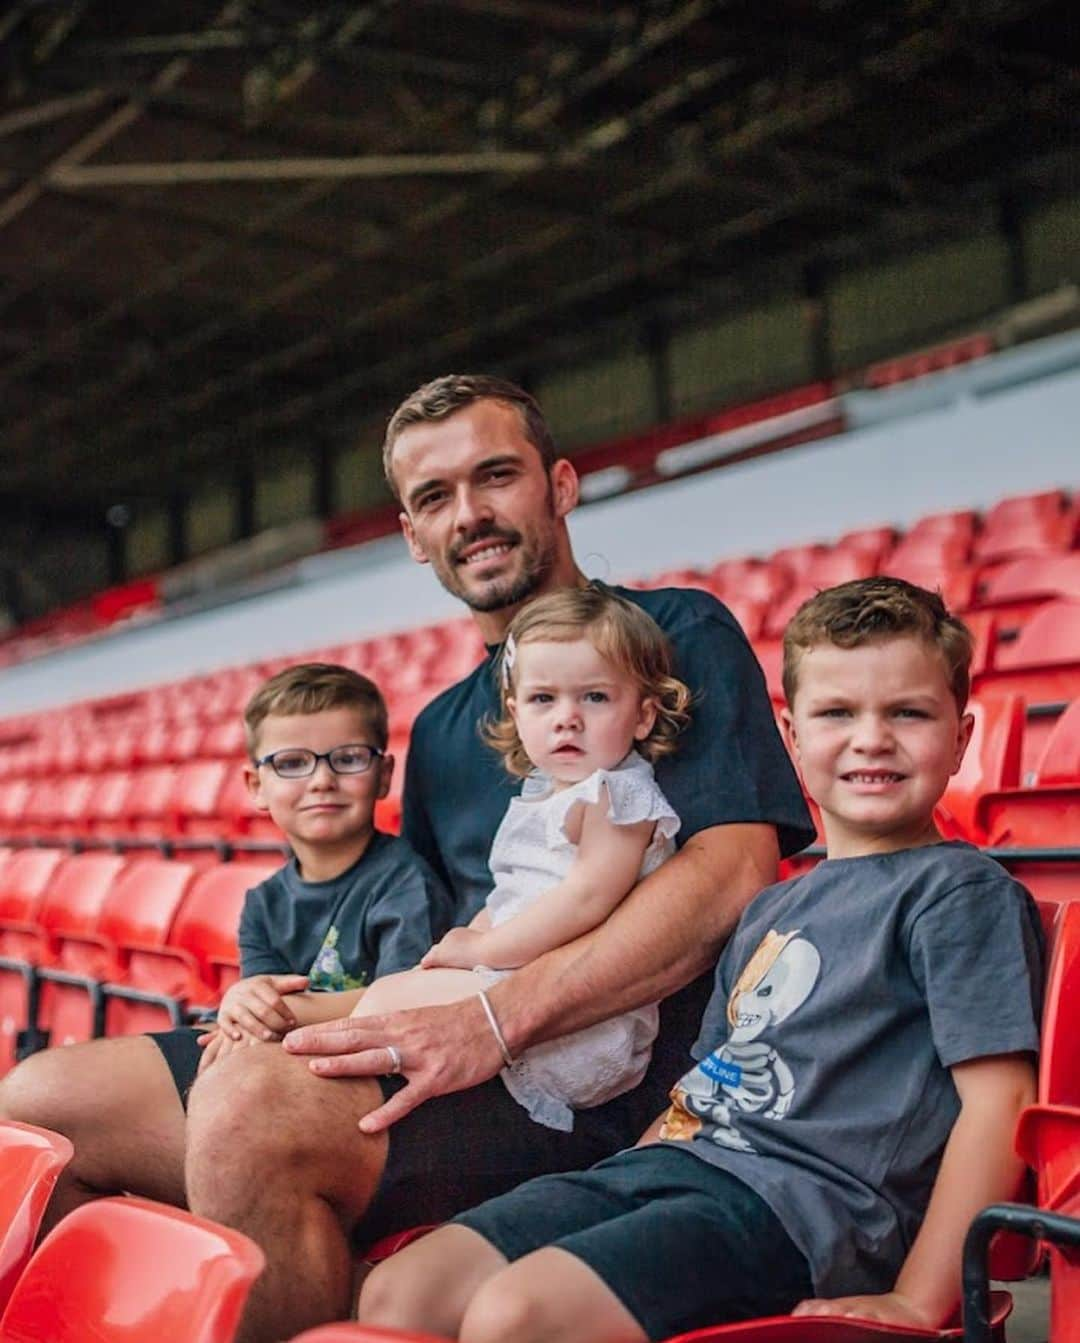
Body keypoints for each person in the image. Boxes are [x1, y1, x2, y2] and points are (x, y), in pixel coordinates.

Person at [182, 375, 815, 1343]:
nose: (469, 514)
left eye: (496, 476)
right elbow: (438, 948)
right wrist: (289, 996)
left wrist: (498, 1019)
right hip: (466, 1029)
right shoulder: (440, 728)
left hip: (602, 1078)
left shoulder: (674, 636)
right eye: (436, 496)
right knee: (50, 1102)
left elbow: (734, 872)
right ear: (411, 532)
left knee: (243, 1113)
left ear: (561, 484)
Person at [357, 576, 1044, 1343]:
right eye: (837, 713)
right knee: (403, 1292)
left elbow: (1000, 1103)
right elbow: (708, 1080)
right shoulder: (774, 907)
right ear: (791, 737)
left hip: (807, 1206)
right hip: (680, 1167)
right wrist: (622, 1180)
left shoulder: (960, 892)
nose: (871, 738)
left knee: (513, 1317)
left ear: (961, 737)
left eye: (907, 713)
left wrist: (920, 1297)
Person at [0, 662, 452, 1231]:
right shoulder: (262, 902)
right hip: (278, 1069)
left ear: (384, 774)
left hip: (364, 1091)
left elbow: (404, 1001)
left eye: (348, 758)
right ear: (254, 786)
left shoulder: (404, 882)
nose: (321, 780)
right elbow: (251, 1005)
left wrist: (273, 1008)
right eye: (291, 764)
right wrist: (245, 1000)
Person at [354, 585, 689, 1132]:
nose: (567, 719)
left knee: (383, 1009)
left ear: (644, 715)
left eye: (595, 697)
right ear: (515, 711)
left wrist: (482, 947)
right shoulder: (547, 791)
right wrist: (463, 948)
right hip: (517, 985)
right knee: (388, 1001)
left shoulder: (617, 794)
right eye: (543, 699)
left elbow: (589, 898)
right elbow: (513, 895)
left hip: (578, 1024)